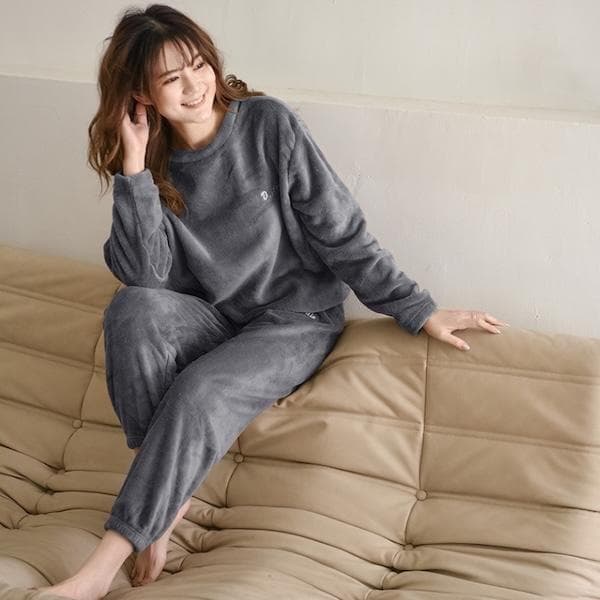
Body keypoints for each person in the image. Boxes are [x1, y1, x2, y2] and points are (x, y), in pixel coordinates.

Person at [34, 4, 508, 599]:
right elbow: (146, 277)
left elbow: (341, 233)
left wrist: (417, 308)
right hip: (216, 320)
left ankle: (99, 570)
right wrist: (133, 167)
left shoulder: (268, 126)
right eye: (172, 78)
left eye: (199, 65)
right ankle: (166, 500)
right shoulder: (152, 161)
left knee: (200, 388)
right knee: (130, 310)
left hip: (294, 321)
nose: (195, 85)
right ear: (142, 95)